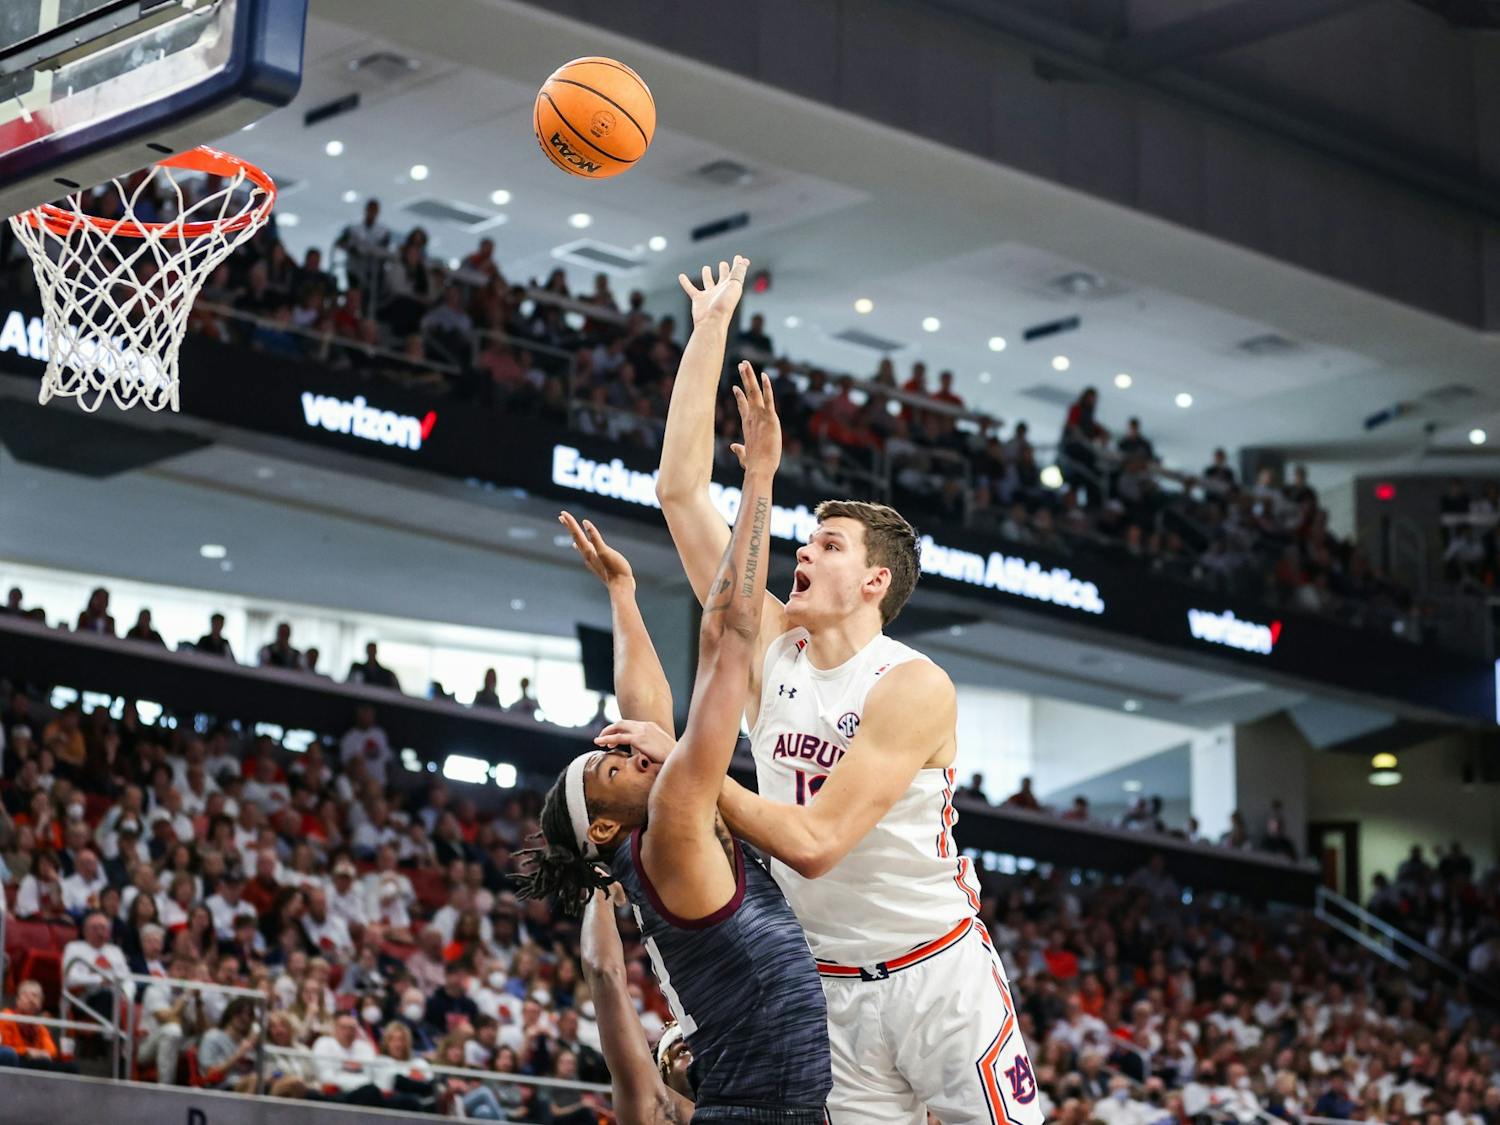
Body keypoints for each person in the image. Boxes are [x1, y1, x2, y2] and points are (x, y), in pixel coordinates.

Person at [645, 256, 1042, 1125]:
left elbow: (817, 842)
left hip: (936, 972)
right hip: (827, 990)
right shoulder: (771, 649)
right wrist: (710, 330)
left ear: (874, 582)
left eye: (828, 544)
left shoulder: (912, 683)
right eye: (806, 539)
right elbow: (679, 491)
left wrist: (683, 778)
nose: (802, 550)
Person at [518, 366, 831, 1124]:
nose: (630, 753)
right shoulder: (677, 823)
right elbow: (728, 638)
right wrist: (758, 478)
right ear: (603, 822)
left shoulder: (638, 840)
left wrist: (624, 597)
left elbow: (643, 709)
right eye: (614, 765)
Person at [0, 979, 75, 1072]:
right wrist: (27, 1051)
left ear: (41, 1002)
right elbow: (5, 1045)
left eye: (35, 996)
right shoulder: (7, 1016)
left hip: (37, 1061)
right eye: (26, 995)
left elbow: (52, 1050)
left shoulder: (38, 1025)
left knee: (70, 1067)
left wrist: (40, 1053)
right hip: (16, 1059)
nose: (31, 999)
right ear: (17, 999)